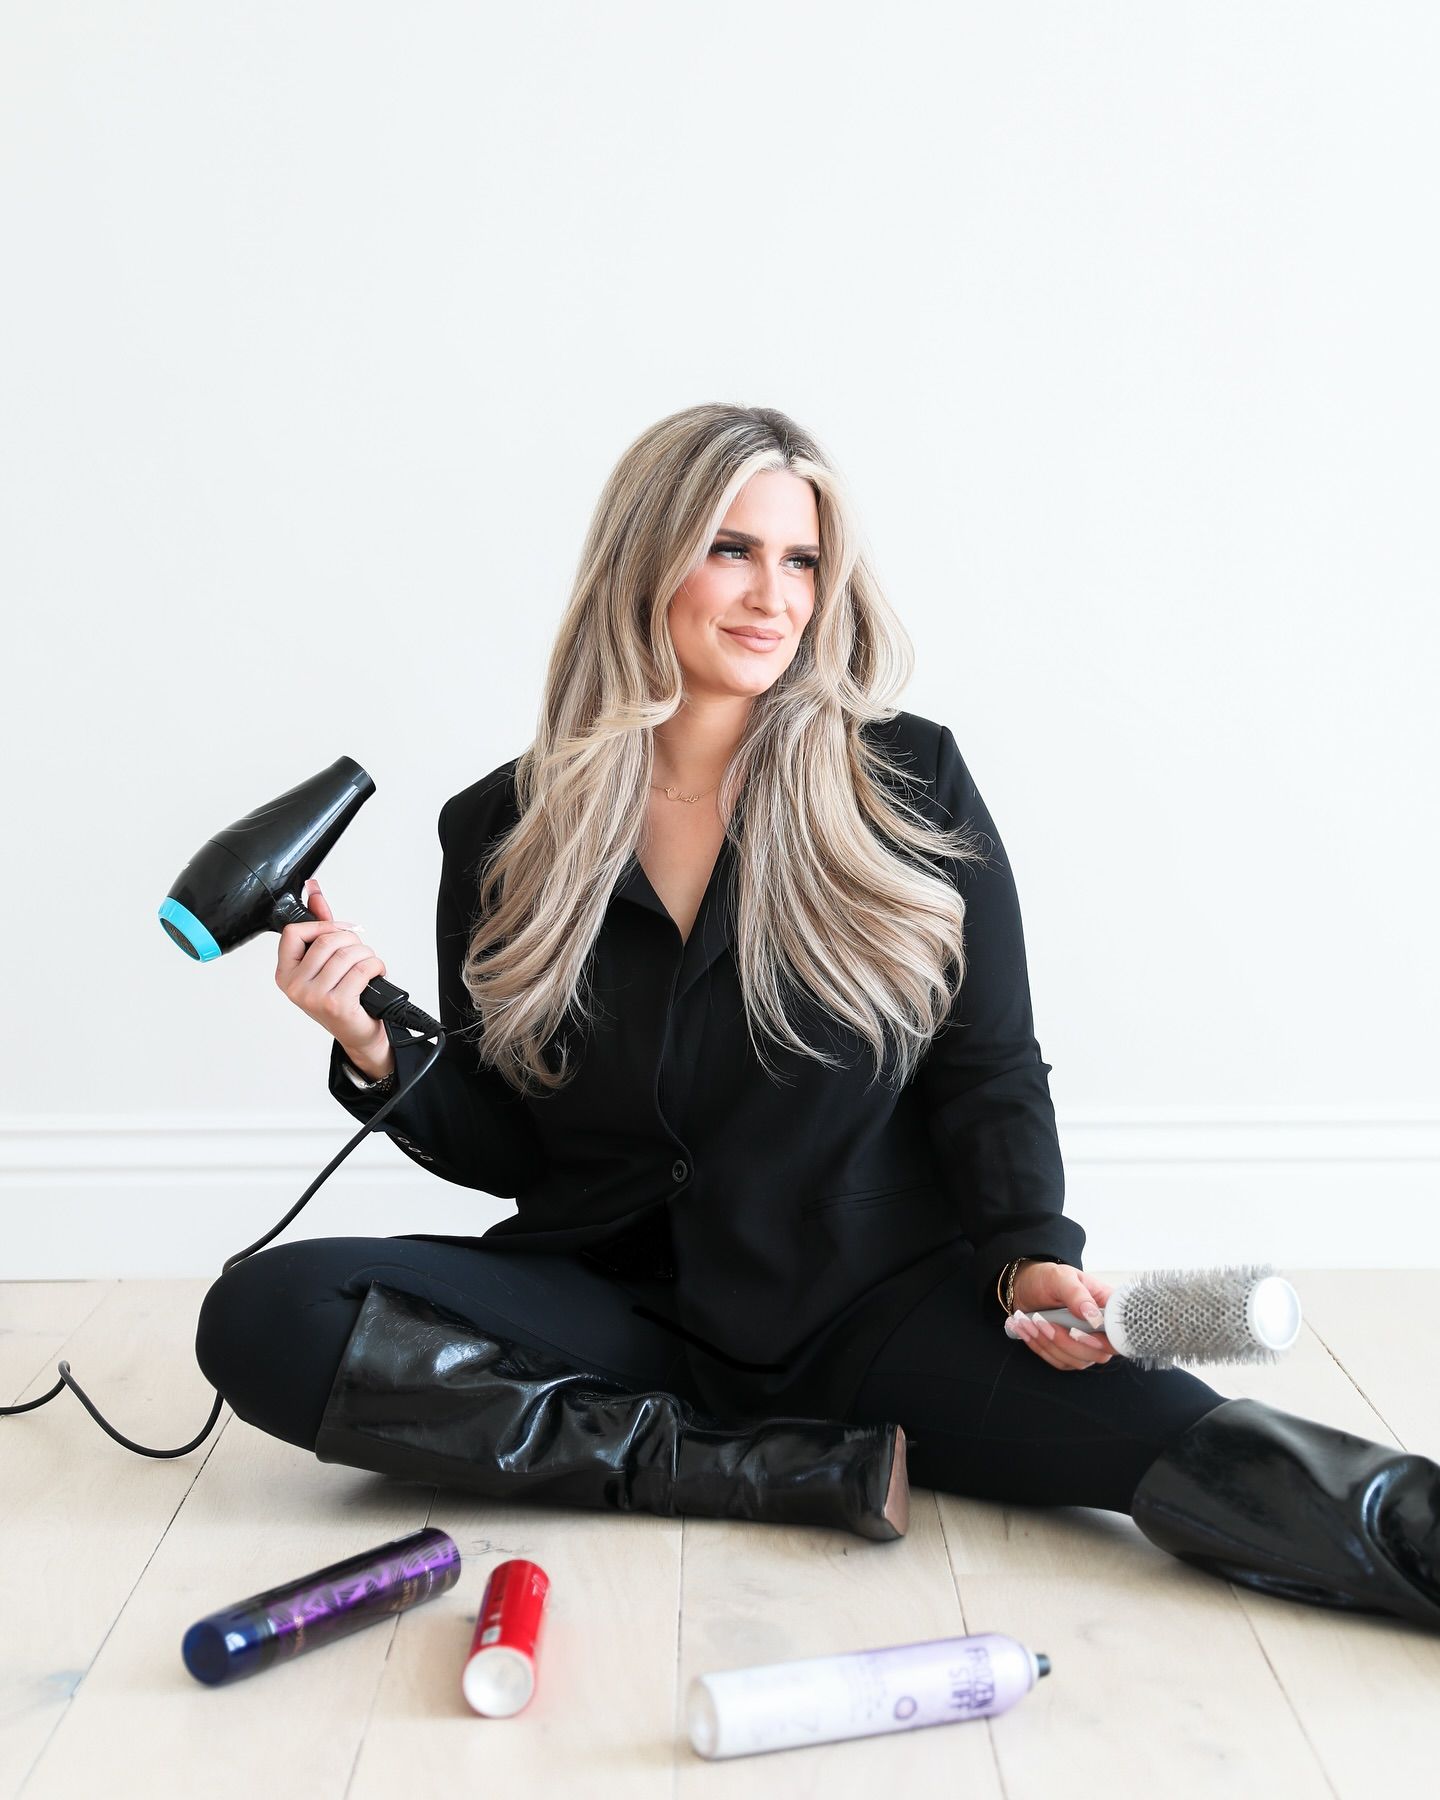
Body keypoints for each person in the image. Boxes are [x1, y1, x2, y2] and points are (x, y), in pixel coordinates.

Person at [196, 404, 1440, 1627]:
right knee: (266, 1314)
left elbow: (989, 1066)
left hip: (876, 1307)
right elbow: (516, 1146)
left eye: (801, 561)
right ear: (644, 560)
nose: (773, 597)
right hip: (614, 1310)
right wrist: (375, 1041)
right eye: (731, 550)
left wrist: (1027, 1251)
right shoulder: (503, 828)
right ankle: (760, 1469)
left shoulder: (906, 781)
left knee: (1194, 1440)